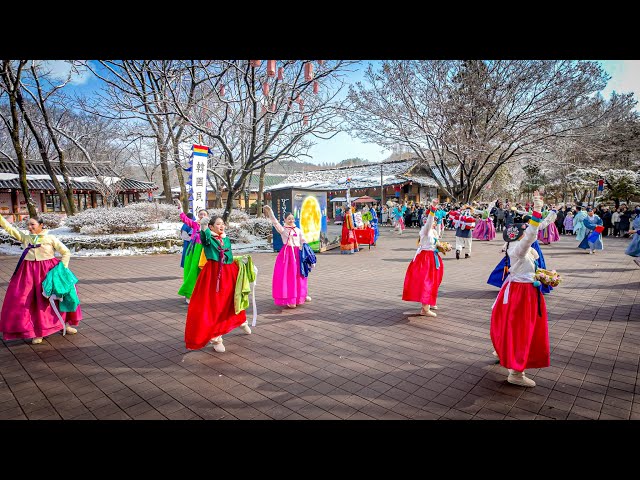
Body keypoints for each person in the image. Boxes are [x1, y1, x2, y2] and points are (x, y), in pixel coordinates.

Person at [490, 190, 549, 387]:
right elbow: (532, 233)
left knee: (514, 326)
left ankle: (505, 353)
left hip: (524, 291)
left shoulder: (520, 248)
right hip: (522, 294)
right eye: (524, 229)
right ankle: (516, 373)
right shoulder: (519, 249)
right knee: (521, 330)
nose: (526, 230)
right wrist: (537, 209)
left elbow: (536, 231)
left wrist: (542, 278)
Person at [0, 215, 82, 344]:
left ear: (41, 225)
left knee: (61, 296)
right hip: (28, 273)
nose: (29, 227)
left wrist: (62, 270)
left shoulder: (50, 238)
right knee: (29, 301)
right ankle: (37, 331)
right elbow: (9, 228)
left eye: (32, 224)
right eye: (28, 224)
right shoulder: (25, 238)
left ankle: (66, 324)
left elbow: (66, 252)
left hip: (48, 271)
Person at [184, 215, 251, 352]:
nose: (222, 226)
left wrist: (240, 261)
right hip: (214, 275)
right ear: (211, 227)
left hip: (229, 273)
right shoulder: (208, 239)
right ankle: (216, 338)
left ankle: (241, 321)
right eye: (218, 224)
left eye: (223, 224)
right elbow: (204, 237)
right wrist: (203, 226)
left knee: (233, 300)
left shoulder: (225, 238)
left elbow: (229, 256)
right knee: (214, 306)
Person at [264, 205, 311, 308]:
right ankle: (290, 299)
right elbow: (275, 222)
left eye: (292, 218)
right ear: (285, 219)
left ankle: (301, 295)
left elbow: (303, 240)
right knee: (289, 276)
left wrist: (308, 253)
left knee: (300, 275)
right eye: (289, 218)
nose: (291, 220)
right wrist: (270, 212)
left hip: (298, 254)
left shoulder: (298, 230)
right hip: (287, 255)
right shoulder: (283, 230)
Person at [402, 199, 442, 317]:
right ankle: (425, 308)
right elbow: (429, 223)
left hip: (433, 258)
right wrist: (433, 209)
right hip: (425, 259)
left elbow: (436, 243)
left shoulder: (434, 232)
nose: (434, 221)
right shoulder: (425, 230)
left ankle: (429, 301)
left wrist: (442, 247)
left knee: (434, 281)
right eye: (432, 219)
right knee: (427, 282)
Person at [177, 201, 209, 304]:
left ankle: (204, 294)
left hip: (205, 251)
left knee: (204, 273)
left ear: (207, 216)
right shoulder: (195, 224)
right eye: (200, 214)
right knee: (192, 270)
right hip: (194, 250)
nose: (202, 216)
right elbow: (184, 219)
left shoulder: (211, 226)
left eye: (204, 214)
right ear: (198, 216)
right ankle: (189, 293)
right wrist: (180, 208)